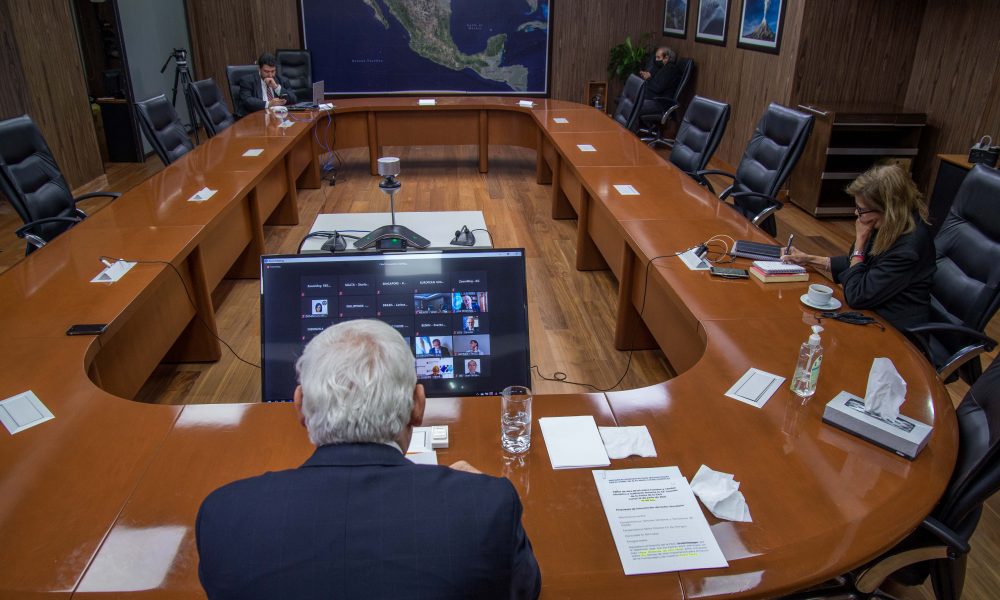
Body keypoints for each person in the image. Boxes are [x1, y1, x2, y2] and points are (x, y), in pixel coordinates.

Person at [196, 319, 541, 599]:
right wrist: (475, 496)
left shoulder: (223, 515)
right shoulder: (488, 505)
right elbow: (524, 589)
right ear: (418, 405)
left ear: (300, 405)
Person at [782, 164, 936, 330]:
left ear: (888, 210)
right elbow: (859, 264)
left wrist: (860, 241)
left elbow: (856, 295)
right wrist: (809, 259)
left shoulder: (907, 250)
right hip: (871, 312)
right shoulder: (891, 223)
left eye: (861, 210)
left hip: (895, 330)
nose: (856, 214)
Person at [638, 47, 682, 117]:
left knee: (633, 106)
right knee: (630, 101)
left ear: (666, 58)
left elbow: (657, 88)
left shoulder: (670, 69)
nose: (656, 60)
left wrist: (648, 78)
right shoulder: (663, 67)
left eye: (658, 57)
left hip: (659, 103)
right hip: (652, 99)